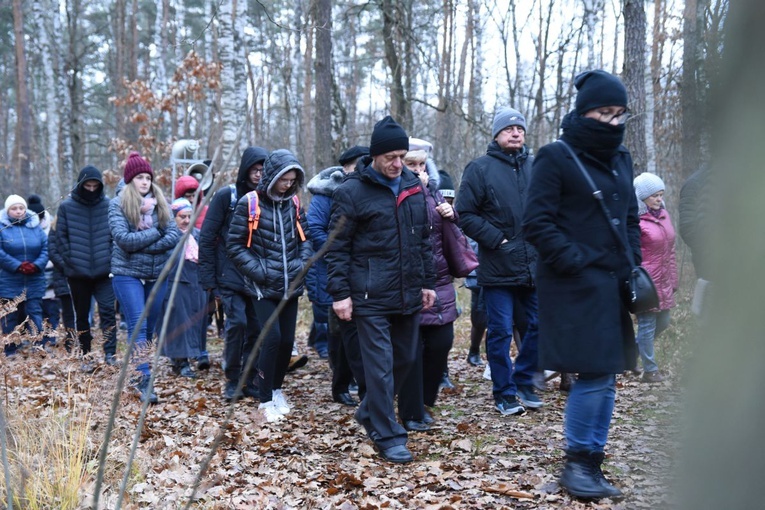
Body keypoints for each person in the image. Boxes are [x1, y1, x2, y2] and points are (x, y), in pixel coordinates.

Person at [523, 69, 639, 499]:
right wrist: (574, 260)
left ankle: (591, 463)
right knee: (592, 374)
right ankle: (577, 466)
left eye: (618, 114)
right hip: (572, 284)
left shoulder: (622, 159)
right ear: (584, 111)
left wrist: (632, 263)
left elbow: (629, 217)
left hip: (611, 283)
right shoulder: (556, 156)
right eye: (604, 113)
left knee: (605, 375)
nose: (612, 122)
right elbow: (536, 222)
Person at [326, 115, 436, 464]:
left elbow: (423, 241)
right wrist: (340, 294)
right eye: (390, 156)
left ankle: (369, 410)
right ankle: (389, 435)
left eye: (401, 155)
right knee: (379, 366)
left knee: (405, 358)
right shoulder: (351, 192)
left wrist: (427, 282)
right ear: (375, 156)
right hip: (368, 295)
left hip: (407, 292)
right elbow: (336, 247)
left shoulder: (412, 186)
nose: (396, 163)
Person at [455, 106, 543, 415]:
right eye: (508, 129)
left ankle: (523, 380)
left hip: (534, 265)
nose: (516, 132)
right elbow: (464, 214)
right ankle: (504, 393)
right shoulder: (479, 169)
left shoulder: (537, 166)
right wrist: (497, 239)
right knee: (502, 331)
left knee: (538, 326)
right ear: (496, 135)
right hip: (498, 265)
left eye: (519, 128)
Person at [227, 149, 312, 422]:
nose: (287, 184)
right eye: (283, 179)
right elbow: (234, 245)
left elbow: (306, 239)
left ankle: (276, 390)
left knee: (287, 342)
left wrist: (302, 265)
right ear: (272, 176)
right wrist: (259, 271)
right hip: (262, 287)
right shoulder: (248, 203)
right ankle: (264, 400)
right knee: (272, 338)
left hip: (291, 285)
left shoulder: (295, 204)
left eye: (292, 180)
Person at [109, 152, 180, 404]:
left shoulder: (162, 202)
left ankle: (136, 372)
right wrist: (156, 235)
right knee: (138, 324)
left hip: (156, 274)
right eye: (140, 177)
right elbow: (124, 241)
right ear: (130, 180)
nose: (145, 182)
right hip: (126, 274)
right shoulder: (118, 204)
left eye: (148, 177)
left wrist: (146, 243)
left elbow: (173, 235)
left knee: (150, 328)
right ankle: (143, 379)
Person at [397, 146, 458, 432]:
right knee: (411, 350)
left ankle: (424, 401)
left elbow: (448, 235)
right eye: (412, 164)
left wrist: (450, 213)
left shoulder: (434, 191)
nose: (418, 170)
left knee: (441, 343)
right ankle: (410, 410)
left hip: (439, 279)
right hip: (406, 281)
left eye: (422, 164)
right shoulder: (395, 192)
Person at [199, 147, 267, 401]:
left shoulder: (268, 198)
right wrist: (208, 280)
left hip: (257, 276)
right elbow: (207, 238)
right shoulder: (226, 197)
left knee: (256, 328)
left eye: (263, 170)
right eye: (255, 169)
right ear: (246, 169)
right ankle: (232, 378)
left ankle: (250, 379)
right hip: (228, 275)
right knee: (236, 323)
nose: (259, 175)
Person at [306, 145, 369, 407]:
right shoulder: (326, 194)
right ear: (345, 168)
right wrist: (341, 248)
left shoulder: (369, 191)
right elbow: (314, 229)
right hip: (332, 272)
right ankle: (340, 384)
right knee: (338, 332)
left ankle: (359, 379)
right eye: (357, 165)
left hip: (364, 274)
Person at [50, 166, 118, 364]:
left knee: (107, 313)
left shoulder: (108, 205)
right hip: (77, 273)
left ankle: (109, 354)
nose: (90, 189)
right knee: (82, 316)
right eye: (87, 185)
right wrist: (68, 266)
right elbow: (60, 239)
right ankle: (86, 353)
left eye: (94, 185)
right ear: (80, 185)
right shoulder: (66, 207)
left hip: (104, 272)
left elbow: (114, 236)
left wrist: (111, 261)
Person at [633, 172, 677, 383]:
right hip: (646, 283)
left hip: (665, 280)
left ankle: (629, 353)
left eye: (661, 194)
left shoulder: (664, 214)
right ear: (642, 198)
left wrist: (674, 280)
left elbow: (671, 250)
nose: (659, 199)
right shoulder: (634, 220)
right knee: (647, 325)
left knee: (664, 322)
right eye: (654, 196)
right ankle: (650, 371)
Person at [158, 198, 206, 378]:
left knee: (195, 319)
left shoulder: (198, 234)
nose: (186, 220)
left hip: (197, 280)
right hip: (176, 281)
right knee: (179, 320)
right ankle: (181, 360)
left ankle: (191, 355)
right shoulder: (169, 235)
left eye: (189, 216)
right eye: (182, 217)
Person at [0, 195, 48, 356]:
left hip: (34, 278)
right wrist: (17, 265)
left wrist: (36, 265)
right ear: (8, 211)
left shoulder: (35, 226)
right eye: (14, 208)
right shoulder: (2, 227)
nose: (18, 211)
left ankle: (38, 347)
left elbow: (45, 247)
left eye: (21, 208)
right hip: (9, 279)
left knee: (35, 312)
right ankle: (11, 350)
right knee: (10, 315)